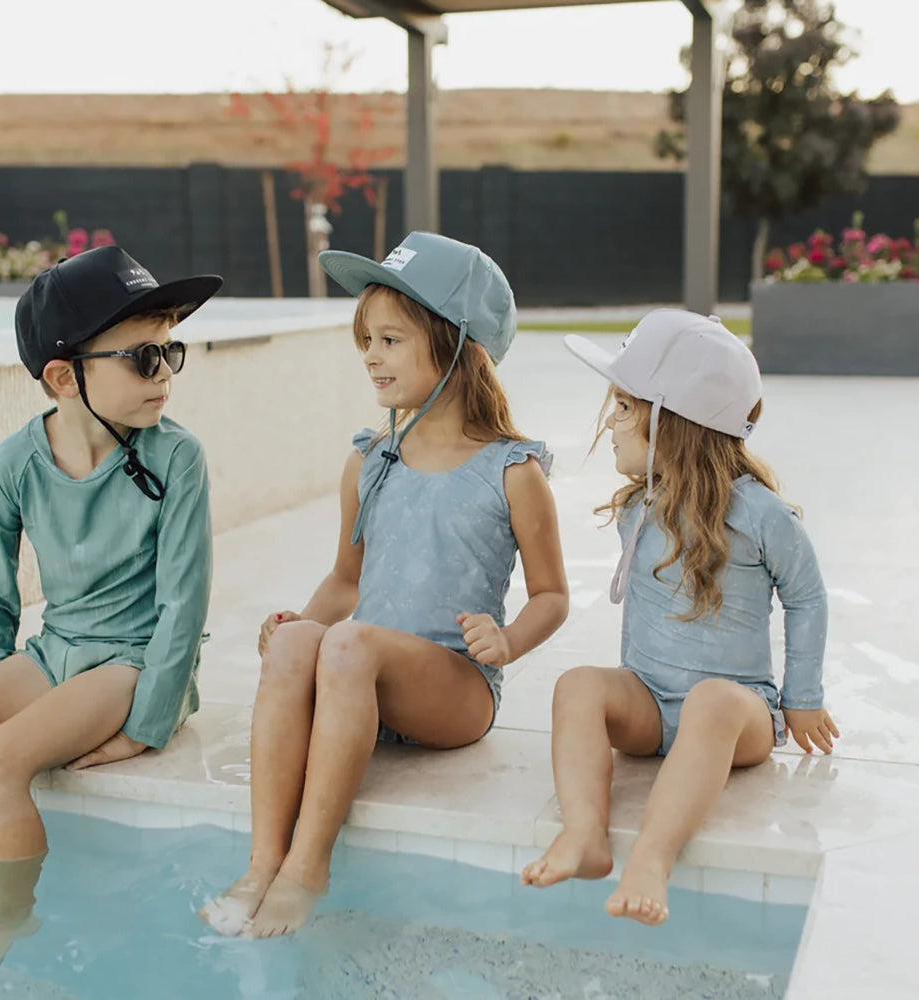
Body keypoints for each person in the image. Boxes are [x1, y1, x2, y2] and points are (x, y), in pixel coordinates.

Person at [201, 231, 569, 939]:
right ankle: (262, 861)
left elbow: (552, 594)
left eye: (391, 339)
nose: (370, 354)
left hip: (455, 692)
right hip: (357, 675)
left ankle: (308, 866)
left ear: (460, 345)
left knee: (347, 643)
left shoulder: (511, 471)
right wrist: (295, 630)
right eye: (366, 339)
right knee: (306, 642)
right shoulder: (371, 461)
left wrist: (509, 640)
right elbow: (348, 578)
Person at [0, 245, 220, 984]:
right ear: (63, 377)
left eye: (170, 352)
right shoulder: (17, 460)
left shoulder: (177, 459)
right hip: (58, 649)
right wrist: (0, 693)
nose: (165, 377)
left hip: (132, 660)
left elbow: (184, 605)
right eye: (144, 358)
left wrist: (147, 724)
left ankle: (7, 915)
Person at [521, 309, 839, 925]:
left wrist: (803, 695)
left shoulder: (759, 513)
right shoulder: (640, 506)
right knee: (578, 684)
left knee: (712, 703)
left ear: (673, 424)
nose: (610, 426)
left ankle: (652, 856)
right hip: (648, 703)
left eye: (623, 409)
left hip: (736, 713)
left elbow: (808, 596)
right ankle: (584, 834)